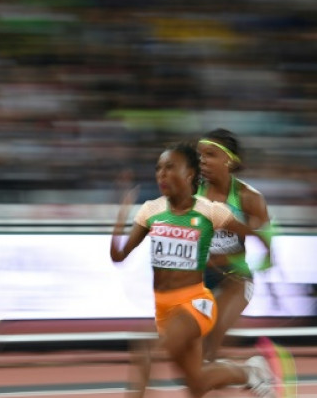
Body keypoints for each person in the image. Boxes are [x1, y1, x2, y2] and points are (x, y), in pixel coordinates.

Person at [110, 142, 284, 398]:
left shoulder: (209, 210)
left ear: (189, 174)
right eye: (159, 168)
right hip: (164, 308)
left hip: (195, 303)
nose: (162, 174)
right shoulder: (151, 210)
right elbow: (118, 256)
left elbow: (252, 234)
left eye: (170, 167)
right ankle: (250, 371)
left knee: (146, 347)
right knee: (198, 384)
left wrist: (264, 252)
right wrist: (121, 216)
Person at [197, 129, 272, 362]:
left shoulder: (249, 198)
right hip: (199, 278)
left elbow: (266, 240)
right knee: (193, 351)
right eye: (200, 155)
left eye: (210, 154)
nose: (202, 160)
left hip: (234, 277)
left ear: (229, 161)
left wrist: (265, 259)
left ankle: (239, 371)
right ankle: (251, 371)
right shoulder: (191, 194)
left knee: (212, 339)